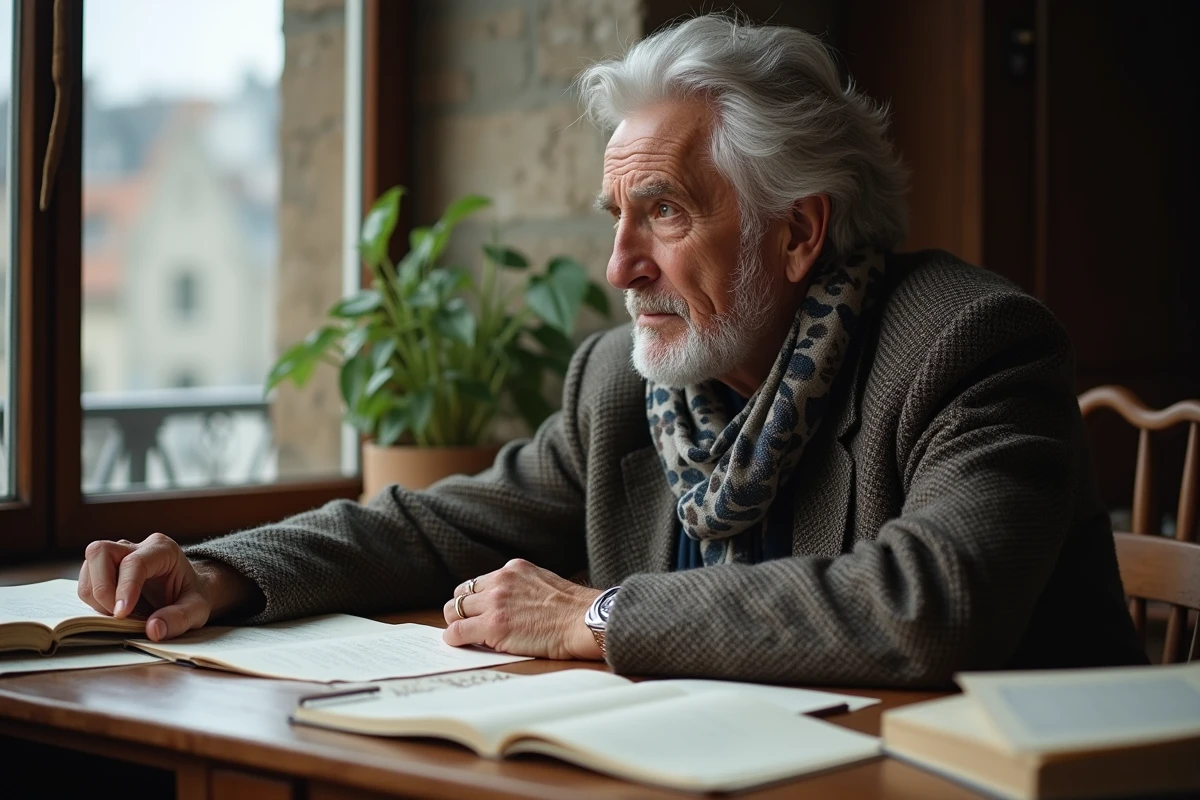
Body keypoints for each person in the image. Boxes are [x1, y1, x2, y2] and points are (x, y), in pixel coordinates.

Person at [77, 15, 1146, 686]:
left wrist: (594, 616)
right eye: (613, 214)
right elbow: (430, 523)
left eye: (665, 213)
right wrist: (220, 572)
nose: (618, 265)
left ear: (799, 230)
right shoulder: (621, 386)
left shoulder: (969, 345)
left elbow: (928, 604)